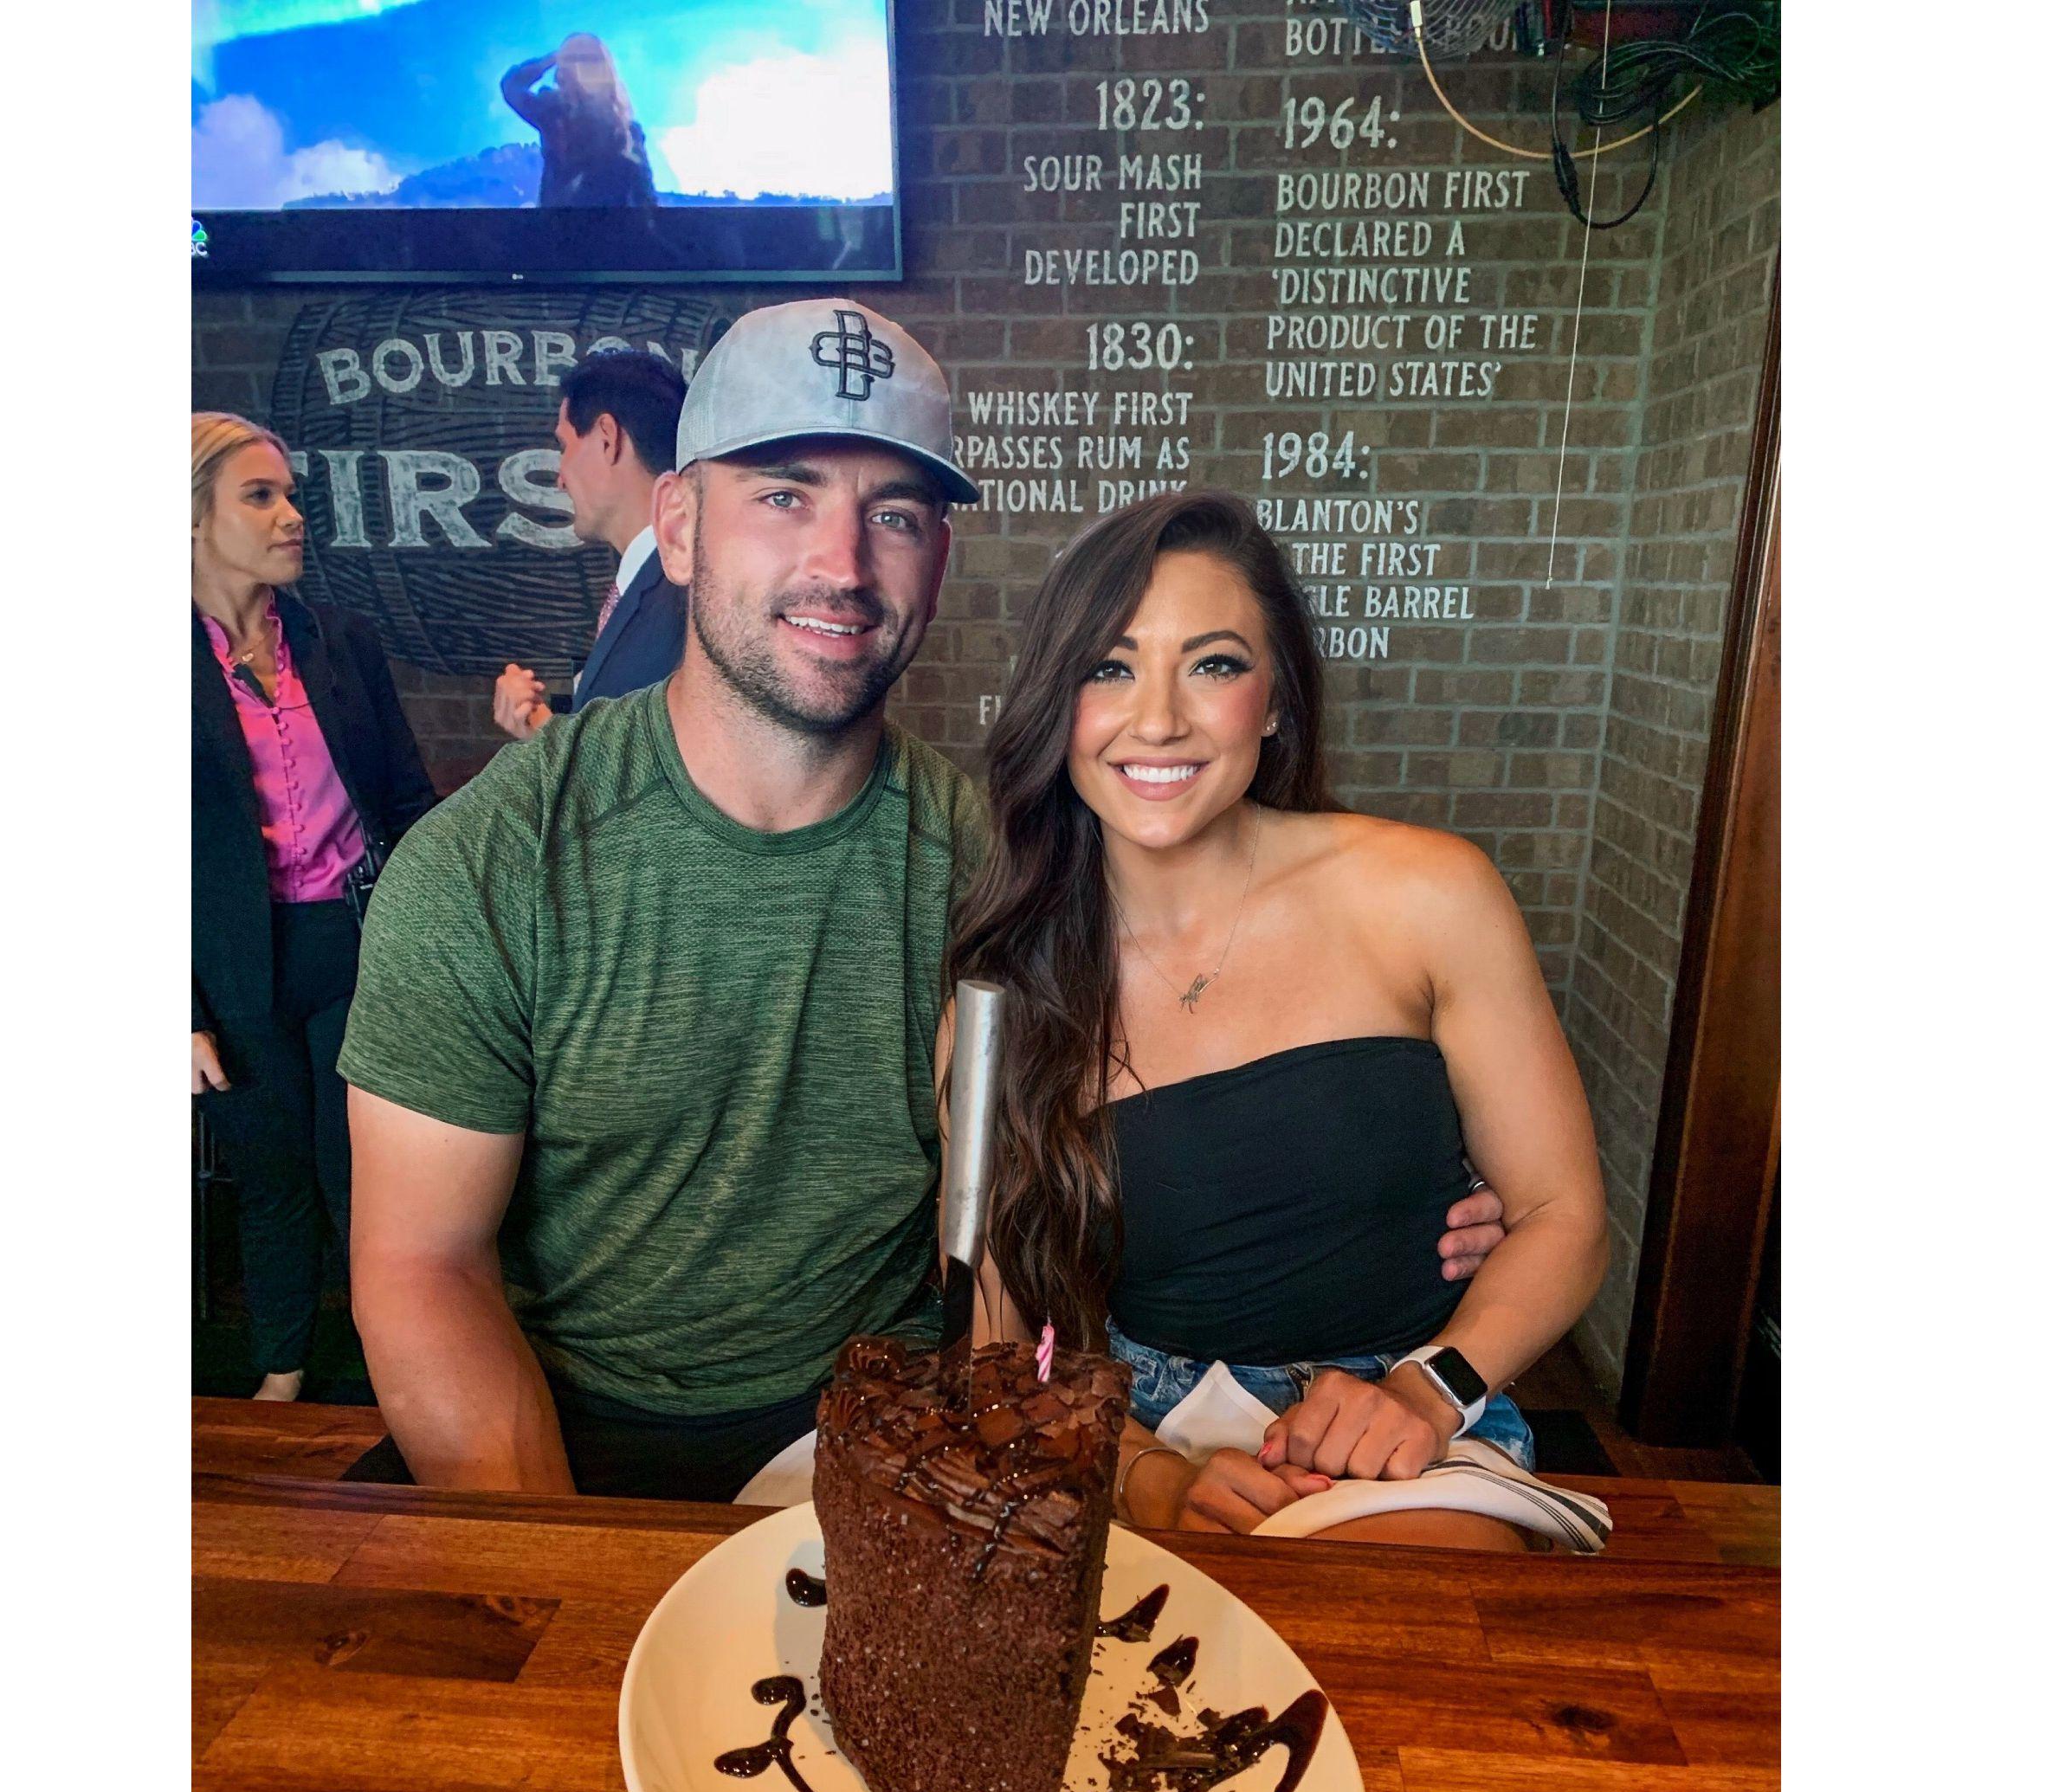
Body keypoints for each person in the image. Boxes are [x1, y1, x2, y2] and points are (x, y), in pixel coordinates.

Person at [339, 303, 1507, 1500]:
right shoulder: (490, 861)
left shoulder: (1007, 873)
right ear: (678, 526)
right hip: (564, 1428)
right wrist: (559, 1564)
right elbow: (423, 1264)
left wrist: (1408, 1182)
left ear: (939, 561)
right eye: (784, 496)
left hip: (896, 1428)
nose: (843, 565)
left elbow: (1190, 1092)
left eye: (893, 515)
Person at [946, 489, 1610, 1550]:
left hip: (1413, 1420)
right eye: (1109, 668)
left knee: (1398, 1616)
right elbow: (998, 1356)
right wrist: (1148, 1477)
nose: (1158, 719)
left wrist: (1427, 1389)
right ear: (1056, 702)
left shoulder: (1428, 894)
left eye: (1212, 664)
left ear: (1276, 699)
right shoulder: (1003, 1004)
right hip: (1134, 1435)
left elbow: (1561, 1215)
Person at [192, 413, 437, 1402]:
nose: (292, 515)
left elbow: (408, 802)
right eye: (260, 497)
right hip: (232, 967)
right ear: (191, 519)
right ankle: (282, 1372)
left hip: (353, 943)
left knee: (366, 1177)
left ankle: (401, 1371)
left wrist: (430, 944)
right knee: (274, 1176)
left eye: (290, 494)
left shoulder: (340, 641)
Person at [492, 348, 688, 741]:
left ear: (607, 439)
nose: (561, 477)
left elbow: (647, 770)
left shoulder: (676, 598)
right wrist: (545, 729)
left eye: (565, 446)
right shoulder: (659, 580)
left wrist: (543, 738)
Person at [500, 35, 658, 212]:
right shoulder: (555, 115)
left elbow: (511, 86)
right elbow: (646, 196)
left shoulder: (554, 115)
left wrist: (551, 60)